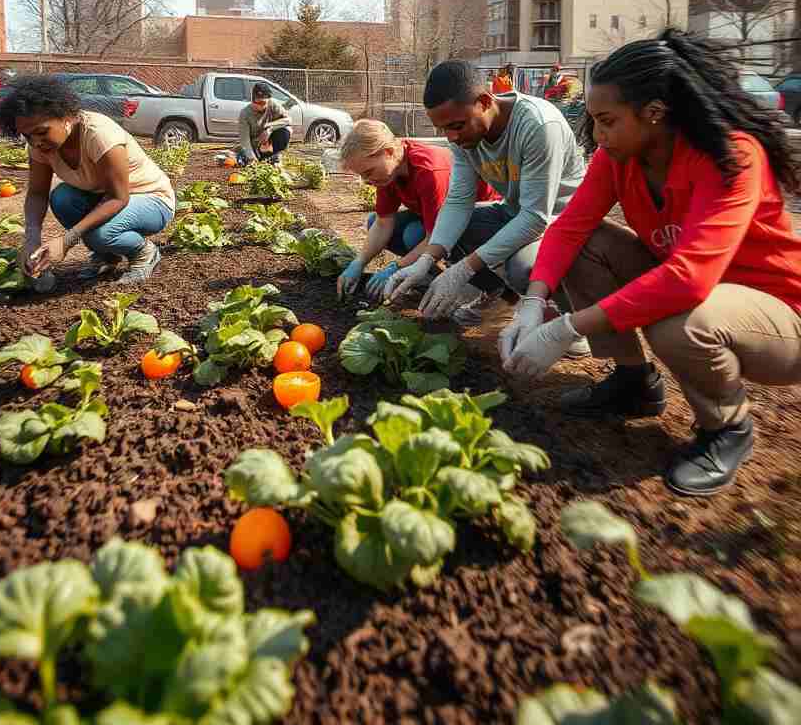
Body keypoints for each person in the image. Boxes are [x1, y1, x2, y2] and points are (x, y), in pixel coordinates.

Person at [500, 30, 801, 497]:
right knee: (585, 245)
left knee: (678, 322)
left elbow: (689, 280)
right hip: (697, 292)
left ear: (654, 114)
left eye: (607, 121)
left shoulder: (732, 156)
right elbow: (568, 228)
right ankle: (633, 382)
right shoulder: (619, 157)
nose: (597, 135)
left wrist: (565, 329)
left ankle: (727, 428)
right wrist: (532, 301)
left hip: (779, 317)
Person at [385, 60, 588, 333]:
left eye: (457, 126)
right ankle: (501, 300)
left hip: (562, 223)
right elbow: (458, 201)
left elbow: (536, 218)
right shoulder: (464, 135)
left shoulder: (538, 125)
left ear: (484, 101)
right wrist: (426, 260)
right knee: (443, 231)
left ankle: (567, 322)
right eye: (443, 129)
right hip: (516, 212)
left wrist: (463, 269)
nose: (452, 137)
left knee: (523, 267)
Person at [0, 75, 175, 286]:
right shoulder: (39, 147)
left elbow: (118, 198)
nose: (36, 142)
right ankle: (108, 256)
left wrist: (67, 240)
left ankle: (144, 252)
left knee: (101, 235)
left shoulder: (99, 134)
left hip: (151, 199)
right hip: (104, 199)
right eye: (27, 136)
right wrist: (32, 240)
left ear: (67, 117)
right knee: (62, 197)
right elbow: (37, 193)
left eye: (42, 132)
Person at [336, 119, 497, 302]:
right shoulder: (389, 171)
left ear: (388, 152)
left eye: (369, 172)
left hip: (481, 219)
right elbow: (383, 223)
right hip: (438, 217)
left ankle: (465, 285)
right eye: (362, 175)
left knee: (414, 234)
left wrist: (395, 267)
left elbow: (434, 235)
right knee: (375, 221)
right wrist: (359, 262)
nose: (366, 180)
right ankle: (424, 275)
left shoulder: (428, 171)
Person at [236, 83, 292, 166]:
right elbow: (245, 141)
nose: (262, 106)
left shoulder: (273, 104)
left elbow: (288, 120)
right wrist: (252, 159)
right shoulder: (245, 114)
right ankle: (260, 157)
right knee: (243, 158)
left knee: (286, 131)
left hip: (269, 141)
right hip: (255, 145)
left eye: (264, 103)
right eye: (259, 103)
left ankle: (275, 157)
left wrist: (270, 128)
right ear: (253, 100)